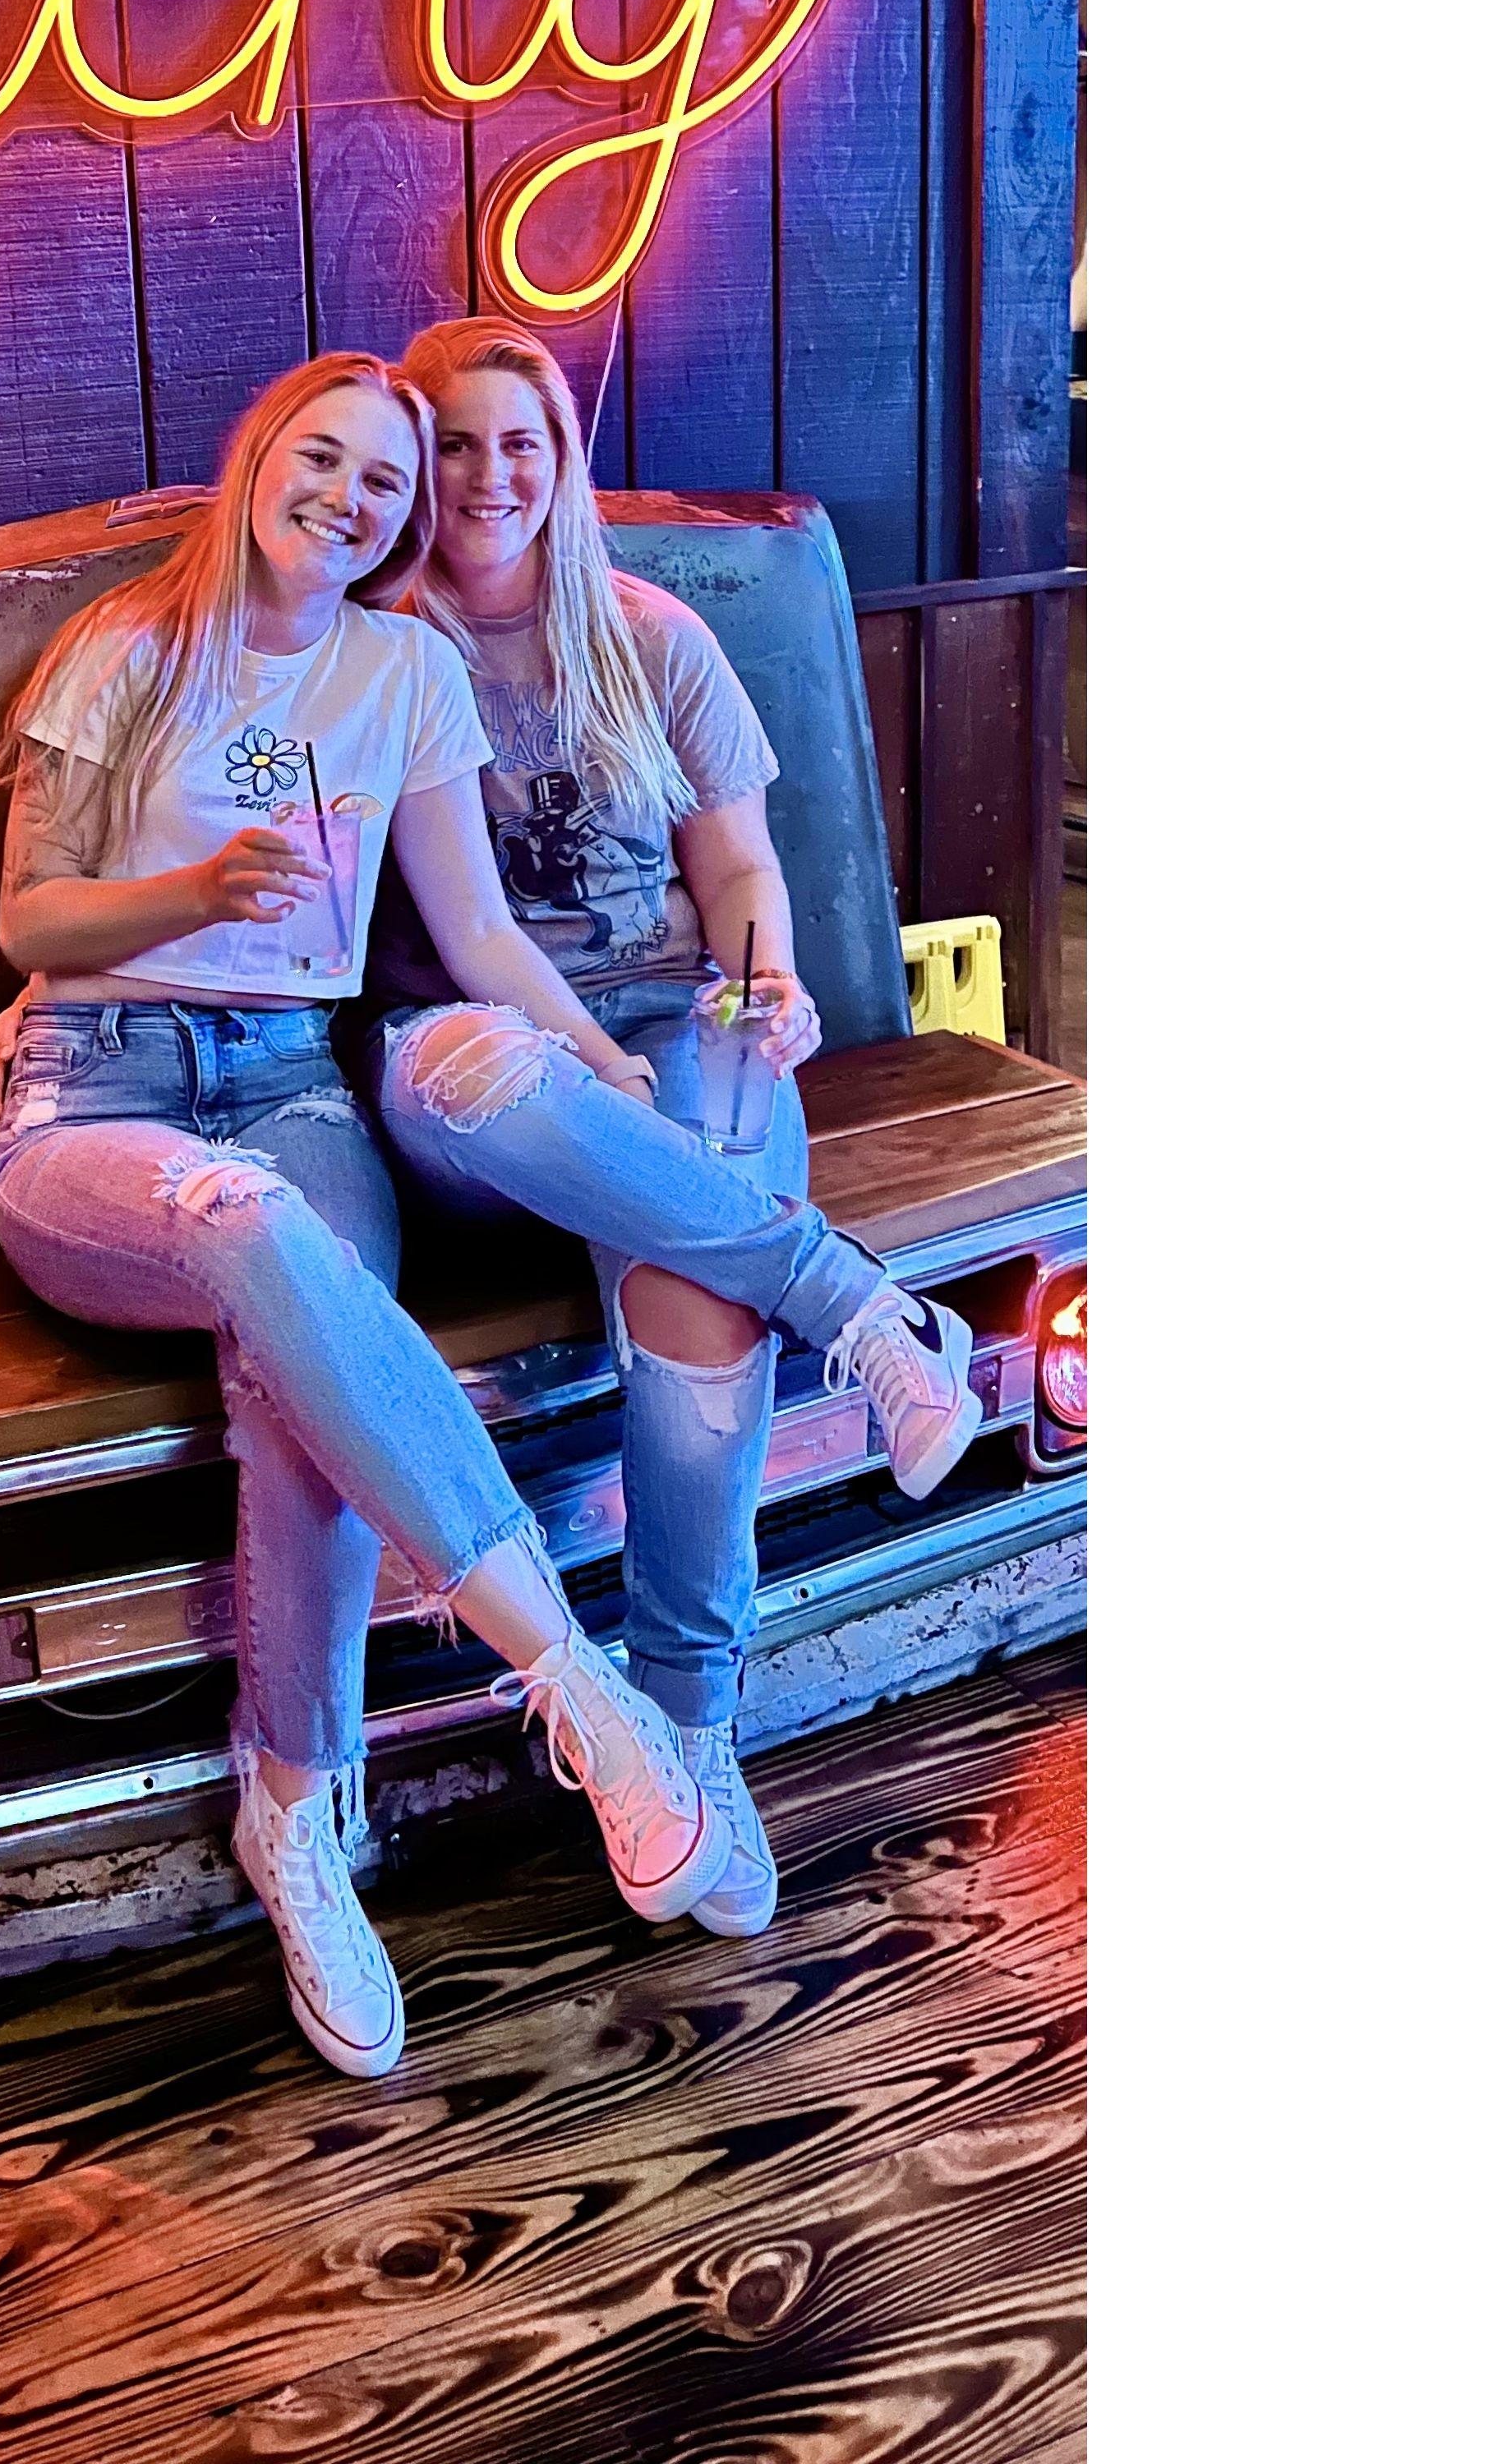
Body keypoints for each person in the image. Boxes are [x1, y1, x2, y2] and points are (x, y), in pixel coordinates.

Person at [0, 350, 729, 2079]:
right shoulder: (125, 649)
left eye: (385, 481)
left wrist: (604, 1062)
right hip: (93, 1093)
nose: (351, 496)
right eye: (323, 458)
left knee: (297, 1385)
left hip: (293, 1085)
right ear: (260, 458)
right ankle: (579, 1684)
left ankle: (293, 1810)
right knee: (249, 1227)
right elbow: (27, 926)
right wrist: (189, 892)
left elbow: (479, 936)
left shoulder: (404, 672)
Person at [359, 315, 983, 1942]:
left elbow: (740, 872)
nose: (489, 475)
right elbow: (455, 937)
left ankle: (692, 1733)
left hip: (671, 1022)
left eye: (521, 442)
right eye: (454, 444)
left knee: (699, 1288)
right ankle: (858, 1304)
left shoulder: (656, 640)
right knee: (480, 1071)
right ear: (411, 466)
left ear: (564, 458)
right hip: (476, 1056)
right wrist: (596, 1059)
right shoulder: (380, 653)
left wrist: (768, 985)